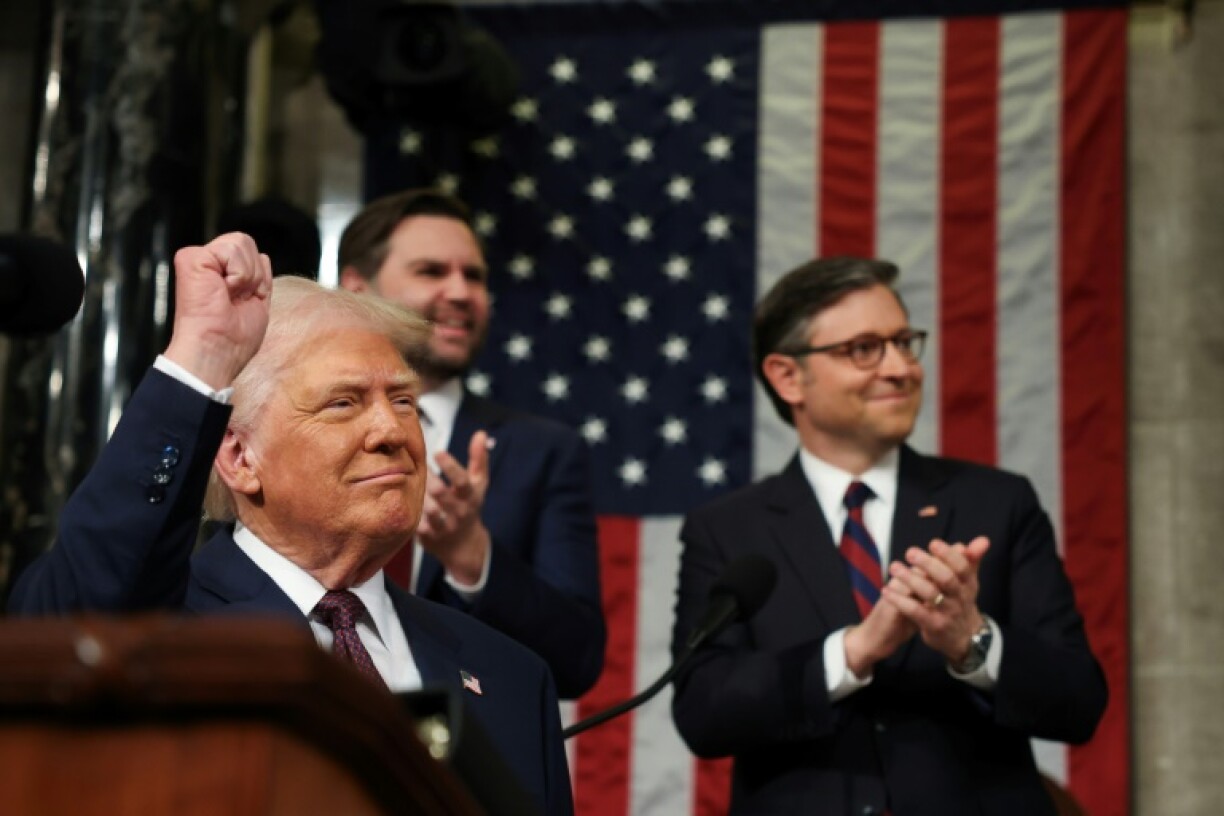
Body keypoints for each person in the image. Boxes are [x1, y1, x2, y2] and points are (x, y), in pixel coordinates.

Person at [8, 233, 573, 816]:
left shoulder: (512, 678)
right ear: (239, 459)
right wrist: (203, 355)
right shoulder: (152, 626)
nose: (392, 432)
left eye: (403, 401)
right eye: (343, 403)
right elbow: (72, 612)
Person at [669, 256, 1107, 815]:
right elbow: (704, 712)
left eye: (905, 342)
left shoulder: (997, 504)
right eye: (864, 349)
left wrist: (972, 643)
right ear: (787, 376)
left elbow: (1080, 702)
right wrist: (852, 652)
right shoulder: (728, 530)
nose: (901, 367)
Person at [337, 189, 605, 699]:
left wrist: (471, 555)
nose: (461, 292)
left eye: (474, 276)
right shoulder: (291, 430)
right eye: (431, 272)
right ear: (355, 287)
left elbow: (579, 660)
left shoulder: (543, 452)